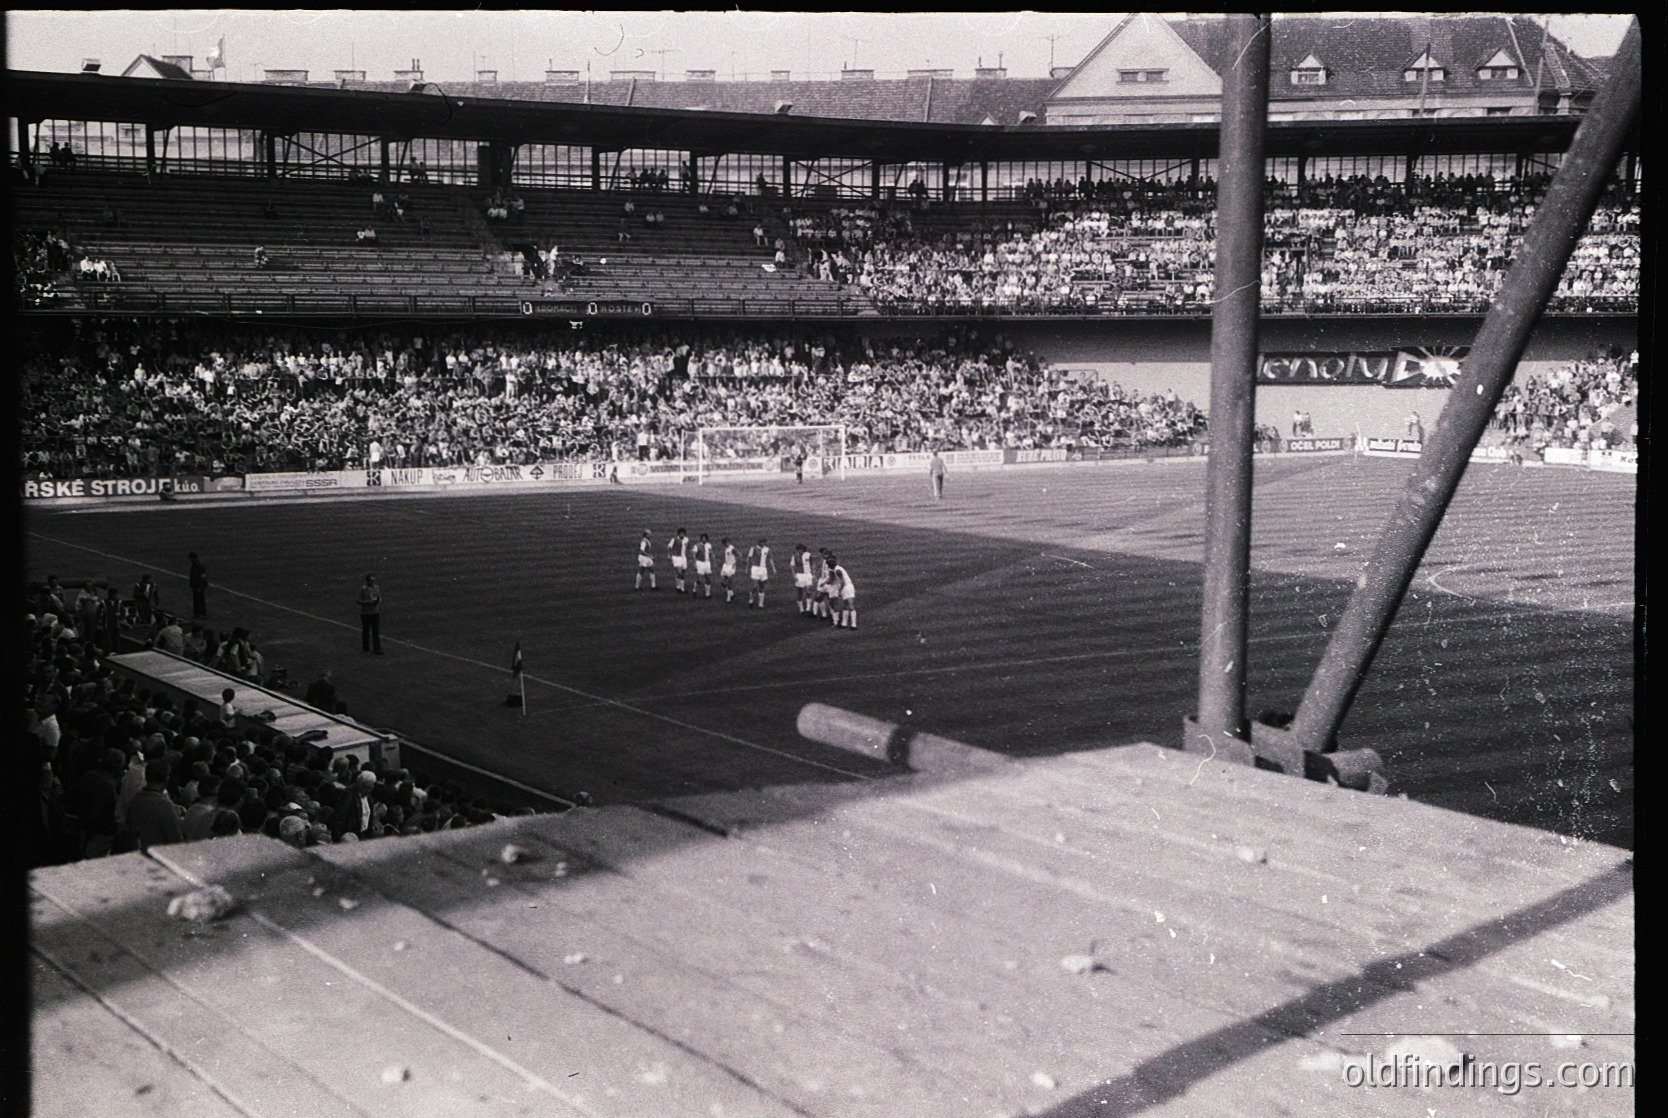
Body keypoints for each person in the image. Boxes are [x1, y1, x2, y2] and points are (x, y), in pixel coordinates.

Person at [827, 555, 857, 629]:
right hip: (846, 587)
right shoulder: (837, 569)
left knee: (850, 604)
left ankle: (854, 624)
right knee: (846, 605)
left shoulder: (837, 570)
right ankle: (844, 623)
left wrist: (840, 591)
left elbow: (843, 581)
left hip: (847, 587)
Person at [746, 537, 776, 609]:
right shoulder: (753, 548)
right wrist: (747, 568)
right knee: (754, 586)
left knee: (762, 587)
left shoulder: (767, 549)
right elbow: (749, 558)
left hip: (763, 569)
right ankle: (751, 600)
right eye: (762, 542)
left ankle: (761, 604)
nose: (763, 543)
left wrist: (773, 568)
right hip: (755, 569)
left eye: (764, 542)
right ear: (759, 542)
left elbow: (770, 559)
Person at [358, 573, 383, 653]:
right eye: (371, 581)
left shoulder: (376, 588)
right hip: (366, 613)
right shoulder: (363, 589)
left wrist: (377, 601)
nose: (372, 582)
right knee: (366, 630)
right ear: (367, 581)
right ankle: (366, 647)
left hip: (375, 612)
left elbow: (379, 597)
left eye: (373, 581)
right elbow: (358, 601)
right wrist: (367, 602)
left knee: (375, 631)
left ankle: (377, 648)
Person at [792, 544, 816, 615]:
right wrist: (794, 575)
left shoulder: (808, 555)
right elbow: (792, 566)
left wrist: (813, 574)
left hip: (808, 575)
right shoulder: (795, 556)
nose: (800, 551)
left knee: (808, 591)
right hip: (799, 575)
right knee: (800, 593)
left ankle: (808, 608)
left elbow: (812, 565)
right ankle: (801, 609)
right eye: (799, 550)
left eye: (801, 550)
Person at [667, 527, 691, 594]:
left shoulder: (686, 539)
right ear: (678, 534)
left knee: (682, 574)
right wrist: (669, 555)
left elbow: (688, 547)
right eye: (681, 534)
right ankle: (682, 589)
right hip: (676, 558)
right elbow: (669, 547)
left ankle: (678, 587)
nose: (682, 535)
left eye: (683, 534)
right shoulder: (674, 540)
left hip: (683, 558)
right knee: (680, 573)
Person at [692, 533, 715, 599]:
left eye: (705, 538)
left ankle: (707, 594)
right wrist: (694, 564)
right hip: (700, 563)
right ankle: (694, 590)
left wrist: (713, 561)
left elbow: (711, 553)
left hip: (707, 563)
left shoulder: (709, 545)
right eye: (702, 538)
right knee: (699, 579)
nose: (704, 539)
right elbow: (694, 555)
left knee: (708, 579)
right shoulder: (697, 545)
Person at [188, 552, 209, 618]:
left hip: (199, 586)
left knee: (200, 600)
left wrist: (200, 586)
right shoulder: (195, 564)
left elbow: (202, 576)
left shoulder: (199, 565)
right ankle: (197, 613)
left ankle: (202, 614)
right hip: (195, 585)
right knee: (196, 600)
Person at [719, 537, 739, 603]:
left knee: (728, 582)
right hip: (725, 566)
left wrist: (734, 563)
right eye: (724, 543)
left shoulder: (732, 548)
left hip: (731, 566)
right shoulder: (726, 548)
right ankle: (731, 593)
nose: (726, 544)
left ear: (729, 542)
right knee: (722, 582)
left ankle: (728, 598)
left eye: (727, 542)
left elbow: (739, 555)